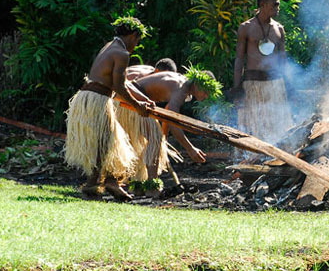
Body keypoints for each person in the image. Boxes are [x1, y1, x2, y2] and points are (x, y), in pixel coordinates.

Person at [64, 16, 155, 200]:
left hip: (88, 97)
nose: (136, 45)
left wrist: (144, 99)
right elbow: (118, 87)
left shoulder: (110, 47)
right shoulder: (122, 54)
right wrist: (138, 107)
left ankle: (108, 182)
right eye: (138, 40)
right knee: (107, 142)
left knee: (110, 142)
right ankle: (95, 184)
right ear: (133, 35)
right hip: (97, 100)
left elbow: (124, 82)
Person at [116, 65, 221, 196]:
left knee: (153, 140)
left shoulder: (182, 85)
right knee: (154, 139)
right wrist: (190, 148)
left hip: (129, 100)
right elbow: (173, 121)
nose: (206, 96)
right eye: (206, 92)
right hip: (134, 101)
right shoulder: (181, 89)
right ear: (199, 84)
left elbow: (167, 113)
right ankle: (152, 187)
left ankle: (137, 186)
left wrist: (163, 138)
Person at [231, 0, 292, 143]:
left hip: (275, 84)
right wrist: (237, 88)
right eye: (275, 5)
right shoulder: (246, 27)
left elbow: (283, 61)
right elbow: (239, 59)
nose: (278, 8)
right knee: (253, 127)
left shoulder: (279, 29)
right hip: (253, 85)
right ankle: (252, 159)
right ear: (263, 5)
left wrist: (288, 86)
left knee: (277, 127)